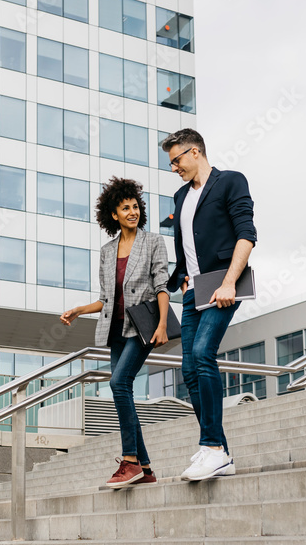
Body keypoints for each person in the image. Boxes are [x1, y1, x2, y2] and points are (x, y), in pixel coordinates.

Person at [61, 177, 170, 488]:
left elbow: (162, 286)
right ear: (114, 214)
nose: (132, 212)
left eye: (136, 207)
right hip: (115, 329)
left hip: (143, 326)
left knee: (119, 382)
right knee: (124, 392)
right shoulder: (107, 251)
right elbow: (106, 298)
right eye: (126, 208)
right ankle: (146, 470)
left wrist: (162, 324)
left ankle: (130, 461)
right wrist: (79, 310)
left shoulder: (153, 243)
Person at [162, 129, 256, 481]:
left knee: (203, 353)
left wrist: (230, 281)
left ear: (195, 151)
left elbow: (246, 234)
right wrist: (183, 277)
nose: (174, 168)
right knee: (189, 371)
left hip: (224, 283)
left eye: (176, 160)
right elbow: (186, 243)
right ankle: (219, 452)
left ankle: (213, 448)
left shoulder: (230, 181)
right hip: (193, 291)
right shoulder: (180, 196)